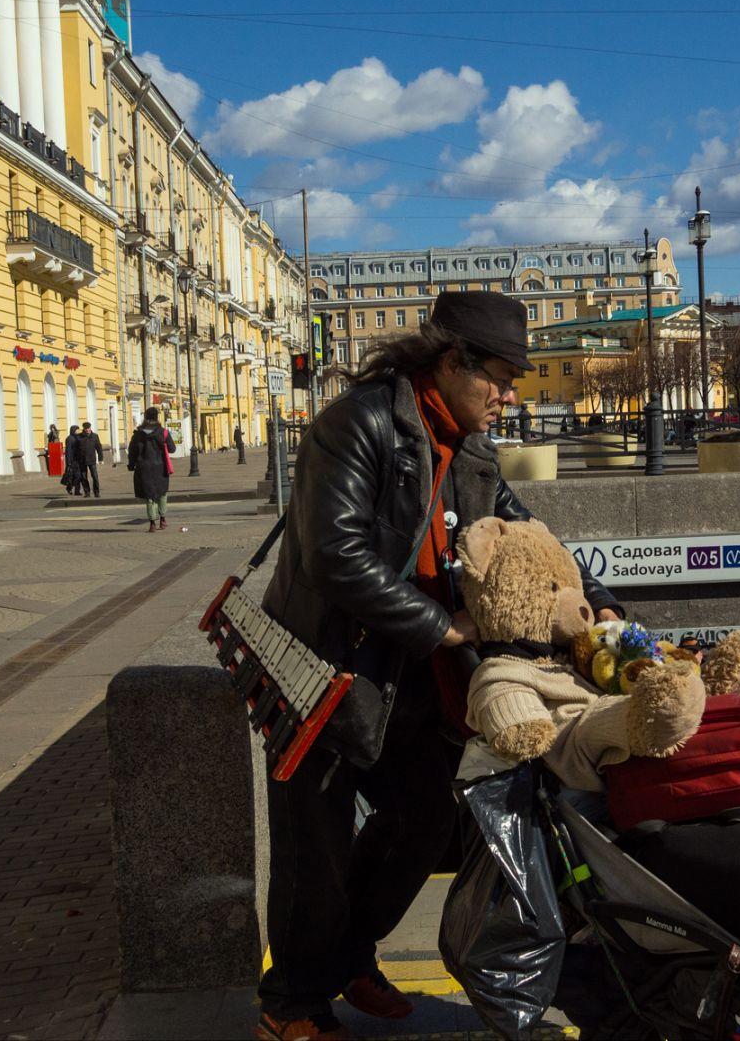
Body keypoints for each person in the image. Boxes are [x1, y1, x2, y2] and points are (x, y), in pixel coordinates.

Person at [255, 291, 623, 1041]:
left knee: (421, 824)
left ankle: (348, 955)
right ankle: (290, 1004)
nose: (510, 396)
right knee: (313, 849)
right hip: (326, 672)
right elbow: (333, 555)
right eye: (501, 378)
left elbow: (532, 541)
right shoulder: (356, 424)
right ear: (453, 363)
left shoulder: (471, 447)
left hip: (410, 678)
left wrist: (603, 605)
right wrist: (443, 626)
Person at [127, 406, 175, 531]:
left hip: (144, 468)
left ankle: (152, 523)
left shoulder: (138, 434)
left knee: (149, 495)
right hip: (161, 468)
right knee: (162, 493)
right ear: (157, 417)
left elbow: (132, 452)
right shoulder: (163, 432)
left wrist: (131, 465)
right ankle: (163, 519)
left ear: (145, 418)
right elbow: (172, 449)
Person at [75, 421, 102, 497]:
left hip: (92, 459)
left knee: (95, 476)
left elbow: (99, 447)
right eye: (86, 428)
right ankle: (87, 492)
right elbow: (75, 449)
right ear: (83, 429)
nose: (87, 430)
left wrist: (100, 458)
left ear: (90, 428)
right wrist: (76, 459)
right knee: (83, 477)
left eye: (88, 428)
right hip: (82, 460)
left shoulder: (95, 436)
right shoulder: (79, 437)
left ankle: (96, 492)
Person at [62, 424, 81, 494]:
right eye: (77, 430)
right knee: (71, 475)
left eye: (78, 430)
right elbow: (68, 450)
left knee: (79, 476)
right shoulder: (69, 439)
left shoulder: (79, 437)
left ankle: (77, 491)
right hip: (72, 460)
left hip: (79, 459)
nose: (78, 431)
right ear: (73, 430)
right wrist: (68, 462)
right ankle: (69, 487)